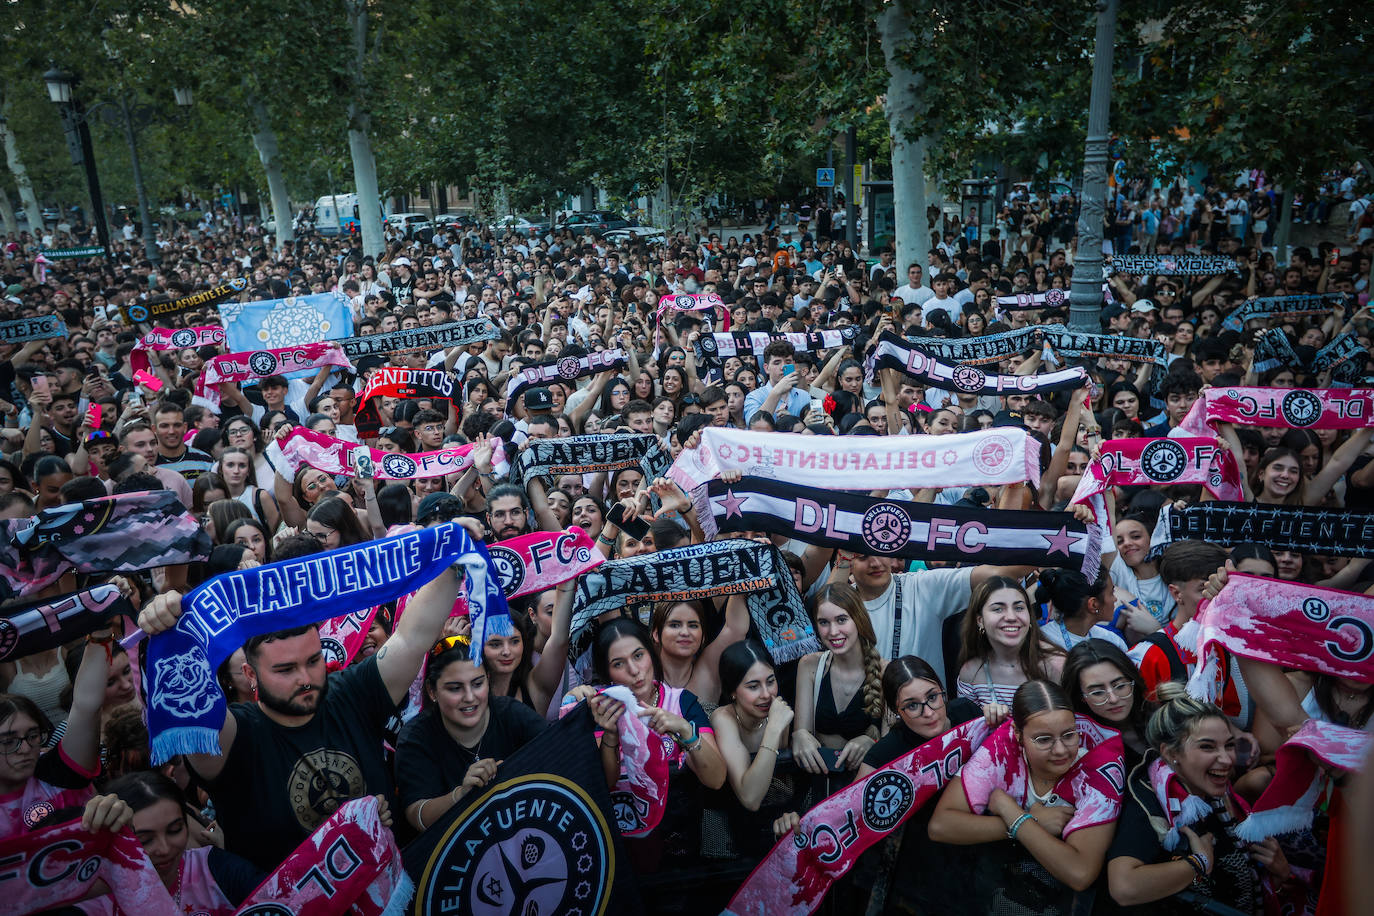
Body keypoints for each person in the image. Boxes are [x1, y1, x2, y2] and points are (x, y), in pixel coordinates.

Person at [133, 521, 470, 870]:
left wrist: (455, 557)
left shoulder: (351, 693)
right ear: (250, 674)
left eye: (313, 661)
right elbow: (189, 694)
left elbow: (412, 637)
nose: (305, 678)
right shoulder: (235, 736)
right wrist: (170, 620)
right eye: (285, 670)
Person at [929, 680, 1122, 912]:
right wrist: (1032, 820)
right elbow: (940, 826)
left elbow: (1080, 873)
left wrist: (1014, 814)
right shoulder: (1001, 748)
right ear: (1018, 736)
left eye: (1069, 735)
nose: (1060, 750)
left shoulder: (1097, 771)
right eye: (1044, 739)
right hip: (995, 890)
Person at [1106, 683, 1291, 913]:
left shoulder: (1220, 793)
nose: (1225, 759)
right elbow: (1123, 888)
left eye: (1229, 745)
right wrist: (1198, 863)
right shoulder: (1149, 803)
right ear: (1171, 753)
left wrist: (1280, 874)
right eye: (1207, 747)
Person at [582, 618, 726, 876]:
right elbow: (606, 784)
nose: (635, 670)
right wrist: (611, 736)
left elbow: (716, 779)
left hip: (676, 849)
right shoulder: (597, 712)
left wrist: (684, 730)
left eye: (639, 655)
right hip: (617, 854)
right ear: (606, 673)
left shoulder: (682, 702)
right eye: (619, 663)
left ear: (652, 653)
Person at [396, 635, 547, 831]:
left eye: (477, 684)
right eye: (455, 688)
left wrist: (578, 708)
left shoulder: (511, 713)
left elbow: (557, 748)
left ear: (488, 680)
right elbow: (416, 815)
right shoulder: (416, 737)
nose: (469, 697)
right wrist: (461, 795)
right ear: (432, 692)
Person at [90, 771, 264, 914]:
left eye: (174, 830)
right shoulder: (95, 899)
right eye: (145, 840)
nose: (165, 849)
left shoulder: (215, 867)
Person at [0, 628, 113, 839]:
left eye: (33, 736)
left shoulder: (59, 772)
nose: (25, 749)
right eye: (9, 741)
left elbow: (86, 706)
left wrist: (101, 633)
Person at [708, 641, 804, 856]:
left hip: (773, 820)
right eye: (753, 686)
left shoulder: (779, 712)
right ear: (732, 691)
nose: (766, 694)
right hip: (728, 832)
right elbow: (749, 798)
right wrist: (773, 730)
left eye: (770, 682)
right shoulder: (723, 718)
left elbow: (782, 784)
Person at [791, 584, 885, 778]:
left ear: (858, 619)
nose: (833, 632)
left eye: (841, 620)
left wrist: (873, 743)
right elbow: (803, 731)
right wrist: (799, 735)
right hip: (820, 782)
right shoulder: (810, 666)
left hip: (864, 784)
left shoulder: (886, 671)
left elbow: (891, 743)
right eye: (824, 622)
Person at [956, 576, 1064, 708]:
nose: (1011, 617)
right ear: (980, 621)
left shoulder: (1056, 665)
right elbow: (968, 728)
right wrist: (986, 721)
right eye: (998, 609)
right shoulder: (971, 673)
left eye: (1019, 608)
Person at [1061, 639, 1153, 769]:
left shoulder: (1162, 718)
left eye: (1120, 686)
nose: (1113, 699)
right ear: (1081, 696)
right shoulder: (1076, 744)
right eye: (1098, 692)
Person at [1037, 567, 1129, 652]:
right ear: (1093, 604)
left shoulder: (1113, 642)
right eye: (1111, 593)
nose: (1115, 599)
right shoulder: (1043, 644)